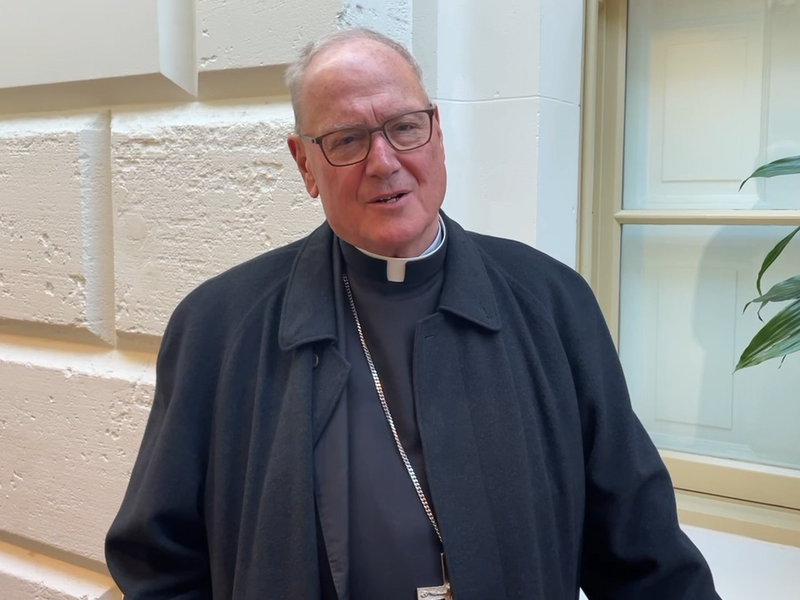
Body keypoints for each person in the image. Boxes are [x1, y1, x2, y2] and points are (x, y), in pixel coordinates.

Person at [105, 28, 721, 600]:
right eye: (347, 139)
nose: (384, 161)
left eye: (404, 127)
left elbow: (643, 552)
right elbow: (158, 561)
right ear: (304, 164)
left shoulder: (553, 304)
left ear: (437, 133)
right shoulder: (219, 327)